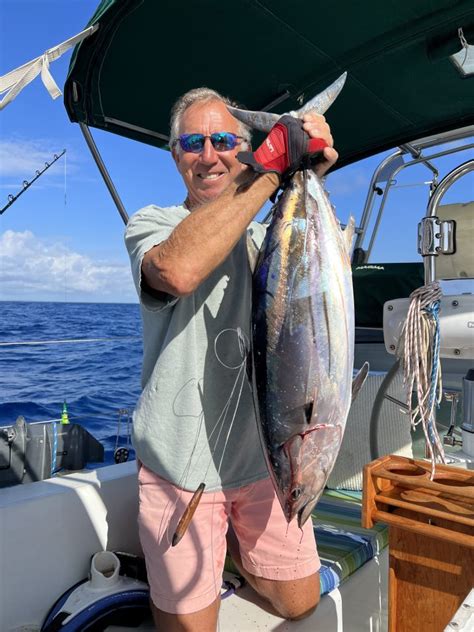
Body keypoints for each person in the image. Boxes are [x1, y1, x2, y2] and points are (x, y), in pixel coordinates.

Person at [125, 86, 338, 632]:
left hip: (264, 463)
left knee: (301, 604)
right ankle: (206, 553)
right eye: (192, 143)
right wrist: (271, 170)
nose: (208, 154)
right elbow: (178, 269)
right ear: (175, 156)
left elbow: (308, 265)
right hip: (181, 471)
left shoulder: (271, 236)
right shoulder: (152, 224)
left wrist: (307, 172)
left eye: (223, 140)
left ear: (242, 147)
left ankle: (230, 554)